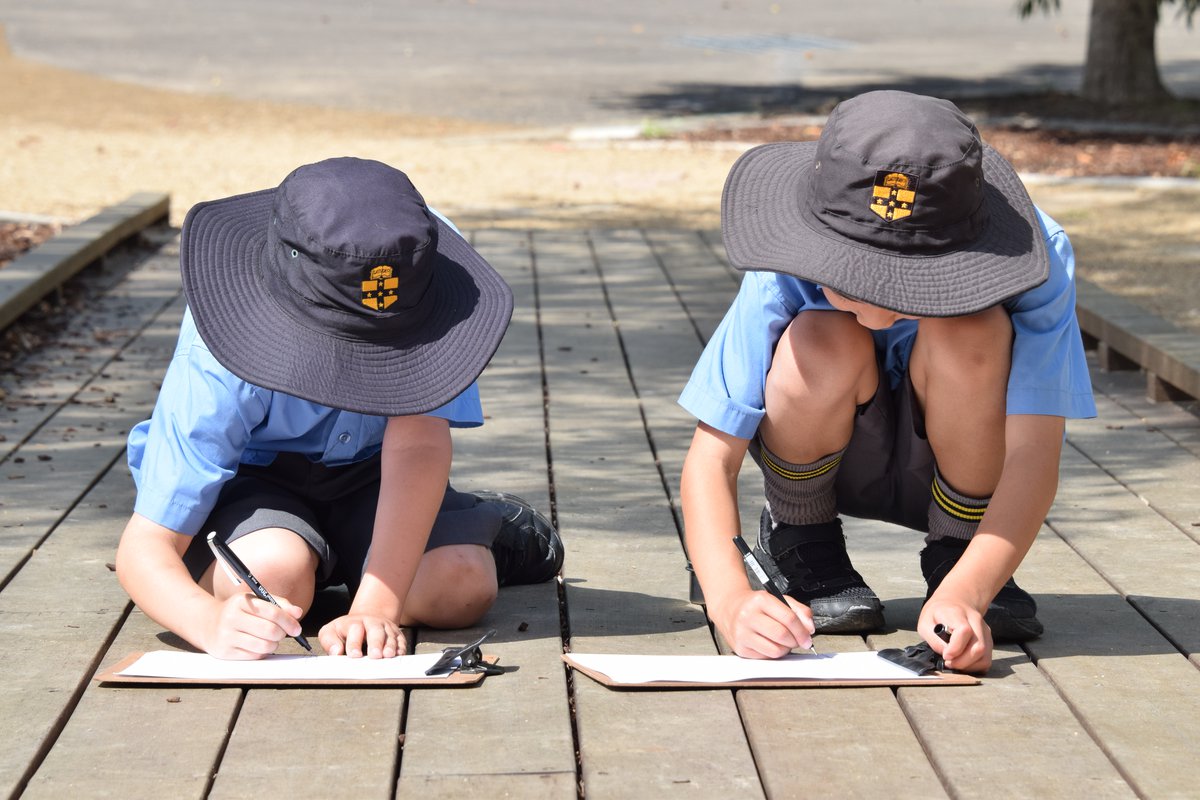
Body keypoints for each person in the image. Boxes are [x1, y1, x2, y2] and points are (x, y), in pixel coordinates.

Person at [679, 91, 1095, 673]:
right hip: (828, 457)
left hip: (971, 469)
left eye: (902, 284)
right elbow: (710, 460)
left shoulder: (1037, 259)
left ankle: (957, 551)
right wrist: (730, 600)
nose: (874, 300)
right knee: (818, 340)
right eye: (851, 274)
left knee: (971, 333)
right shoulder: (785, 262)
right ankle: (804, 542)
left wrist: (968, 591)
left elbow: (1033, 456)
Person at [116, 157, 563, 660]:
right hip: (254, 481)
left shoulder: (412, 268)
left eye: (380, 349)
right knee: (273, 578)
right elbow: (144, 548)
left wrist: (376, 608)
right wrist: (208, 623)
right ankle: (323, 560)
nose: (357, 365)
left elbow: (417, 443)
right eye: (342, 347)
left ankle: (485, 532)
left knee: (459, 589)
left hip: (375, 473)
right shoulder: (215, 350)